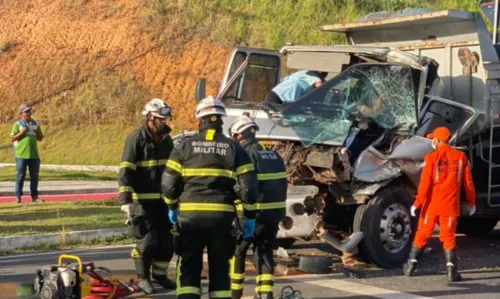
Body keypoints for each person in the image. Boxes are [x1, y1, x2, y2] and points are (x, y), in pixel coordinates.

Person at [161, 96, 258, 299]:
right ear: (222, 119)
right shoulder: (235, 149)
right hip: (222, 220)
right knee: (220, 270)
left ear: (199, 119)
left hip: (189, 218)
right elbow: (248, 189)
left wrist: (172, 207)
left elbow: (169, 186)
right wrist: (249, 215)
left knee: (188, 268)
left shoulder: (184, 147)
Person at [118, 98, 176, 294]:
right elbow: (126, 171)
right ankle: (143, 278)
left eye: (165, 119)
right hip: (143, 203)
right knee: (148, 242)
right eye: (160, 119)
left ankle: (160, 275)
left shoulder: (167, 140)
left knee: (168, 242)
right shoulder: (136, 138)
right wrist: (125, 202)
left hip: (164, 203)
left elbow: (173, 171)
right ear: (150, 118)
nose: (164, 123)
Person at [403, 126, 476, 282]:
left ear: (436, 140)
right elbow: (468, 184)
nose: (431, 141)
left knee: (422, 234)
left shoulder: (431, 157)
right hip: (450, 206)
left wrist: (417, 203)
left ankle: (410, 266)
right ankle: (452, 272)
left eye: (432, 139)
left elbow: (424, 185)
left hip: (431, 205)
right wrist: (471, 202)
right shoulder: (460, 157)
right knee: (448, 237)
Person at [228, 115, 287, 299]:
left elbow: (245, 187)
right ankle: (265, 294)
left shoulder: (244, 154)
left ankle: (235, 293)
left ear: (239, 135)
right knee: (264, 252)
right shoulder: (273, 154)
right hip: (273, 215)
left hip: (253, 214)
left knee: (238, 252)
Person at [10, 104, 44, 204]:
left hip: (34, 155)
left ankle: (34, 197)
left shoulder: (35, 123)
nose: (29, 113)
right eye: (26, 111)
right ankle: (18, 197)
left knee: (34, 176)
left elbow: (40, 138)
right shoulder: (18, 124)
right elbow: (12, 138)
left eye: (29, 111)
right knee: (20, 176)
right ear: (21, 114)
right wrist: (21, 133)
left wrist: (37, 130)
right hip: (21, 155)